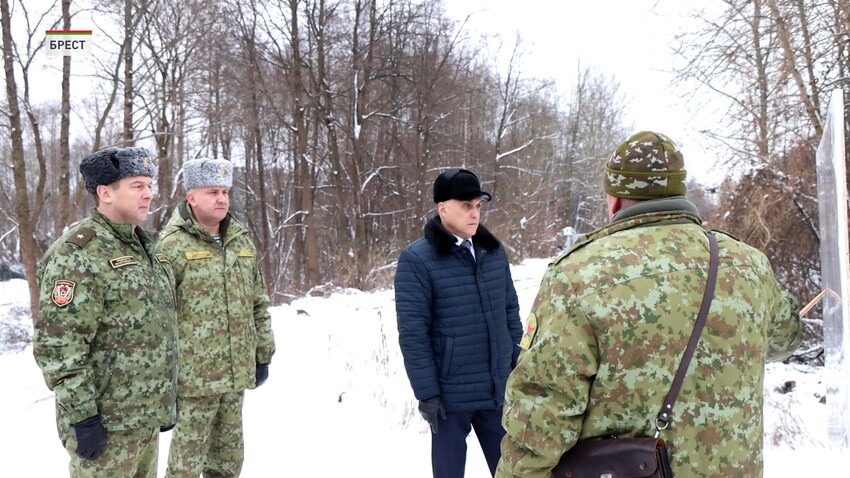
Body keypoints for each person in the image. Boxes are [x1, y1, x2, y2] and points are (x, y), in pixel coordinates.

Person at [497, 131, 802, 477]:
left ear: (614, 199)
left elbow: (541, 415)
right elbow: (785, 337)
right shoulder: (749, 265)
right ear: (678, 190)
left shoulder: (578, 275)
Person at [33, 146, 178, 478]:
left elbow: (160, 329)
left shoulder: (146, 248)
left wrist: (166, 398)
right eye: (137, 186)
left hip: (144, 421)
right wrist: (84, 418)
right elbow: (59, 346)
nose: (149, 194)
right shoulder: (79, 253)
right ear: (105, 192)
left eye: (149, 185)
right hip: (106, 426)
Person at [395, 168, 523, 478]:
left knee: (514, 471)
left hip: (498, 388)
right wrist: (427, 393)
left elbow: (510, 310)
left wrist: (518, 363)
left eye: (478, 205)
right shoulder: (417, 260)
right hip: (451, 397)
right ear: (443, 208)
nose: (474, 213)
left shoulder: (493, 252)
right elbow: (414, 334)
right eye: (466, 205)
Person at [159, 158, 276, 478]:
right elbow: (159, 318)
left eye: (225, 191)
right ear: (191, 197)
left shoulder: (240, 241)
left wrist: (262, 354)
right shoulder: (171, 246)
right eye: (213, 191)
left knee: (228, 461)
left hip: (234, 376)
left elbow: (257, 303)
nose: (222, 198)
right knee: (186, 465)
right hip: (194, 381)